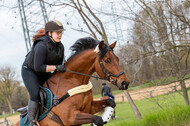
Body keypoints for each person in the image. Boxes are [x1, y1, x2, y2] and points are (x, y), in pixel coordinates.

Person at [21, 20, 66, 126]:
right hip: (30, 71)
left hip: (44, 72)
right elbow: (38, 67)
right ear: (49, 33)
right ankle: (32, 122)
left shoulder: (60, 47)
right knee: (35, 94)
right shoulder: (41, 46)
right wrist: (56, 67)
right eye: (57, 33)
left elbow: (60, 67)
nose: (60, 35)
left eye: (61, 32)